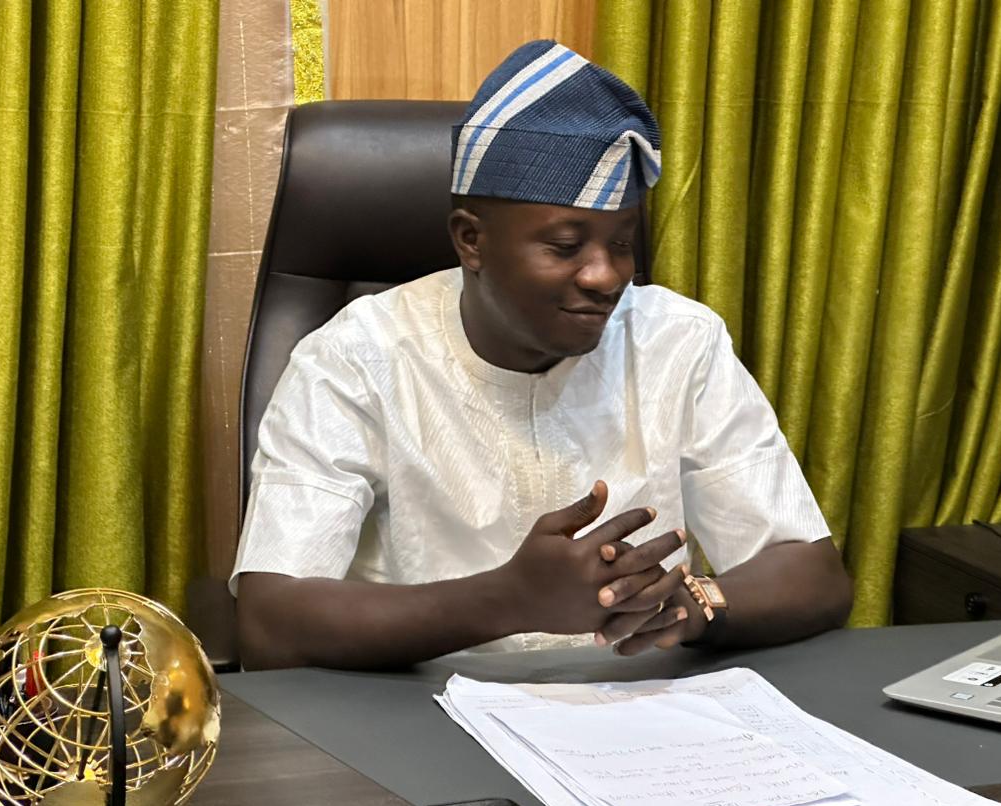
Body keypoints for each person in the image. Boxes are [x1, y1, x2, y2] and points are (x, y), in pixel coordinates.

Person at [232, 40, 852, 670]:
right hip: (424, 702)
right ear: (471, 240)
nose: (605, 276)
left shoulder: (679, 340)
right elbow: (270, 621)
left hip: (639, 704)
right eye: (565, 246)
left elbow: (813, 573)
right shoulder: (354, 358)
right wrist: (507, 600)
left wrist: (689, 606)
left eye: (622, 244)